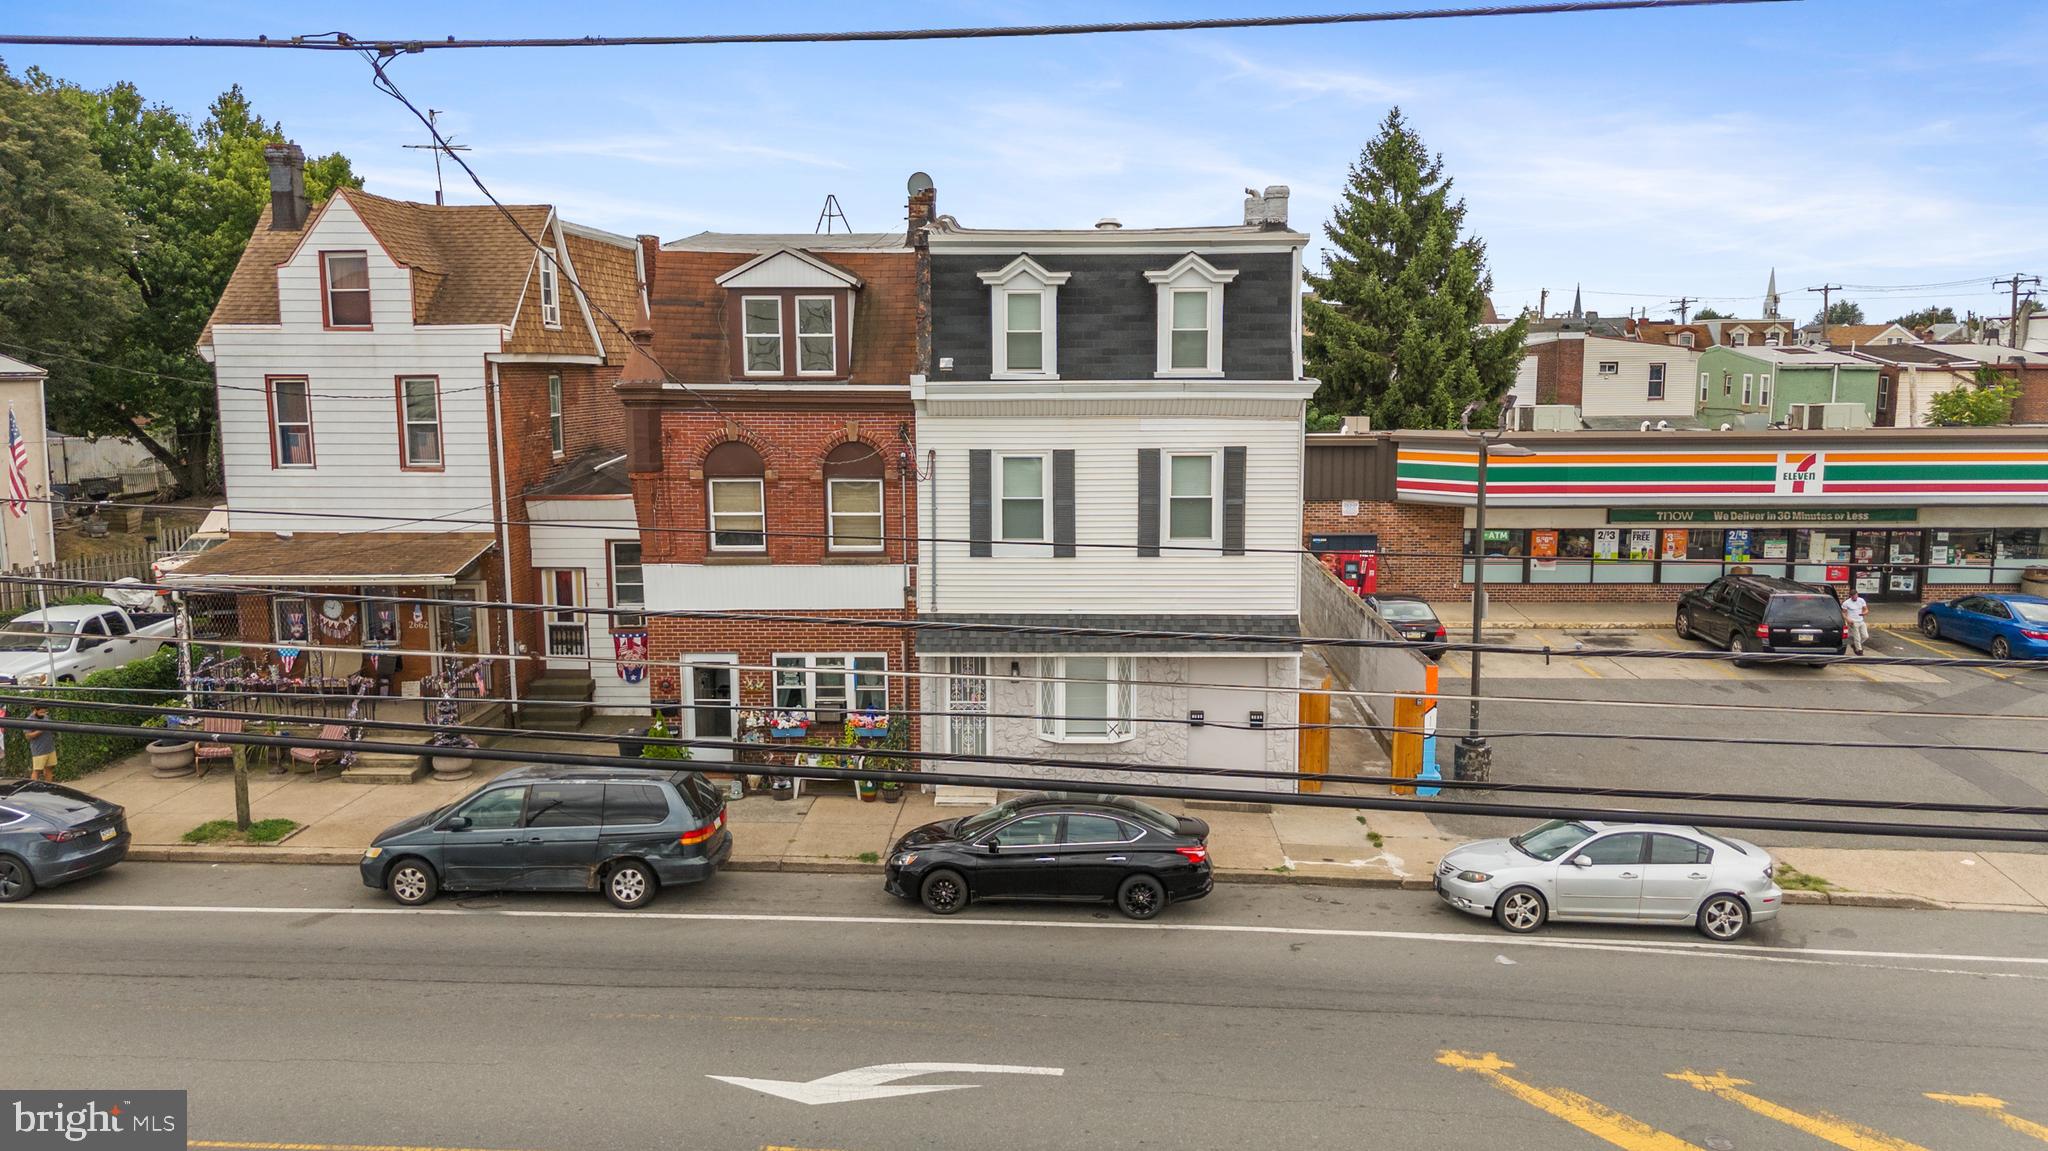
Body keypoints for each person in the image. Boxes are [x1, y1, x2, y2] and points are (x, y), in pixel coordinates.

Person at [26, 705, 56, 782]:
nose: (44, 714)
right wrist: (41, 730)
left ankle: (49, 788)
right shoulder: (29, 720)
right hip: (39, 751)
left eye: (45, 712)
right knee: (37, 771)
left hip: (50, 749)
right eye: (42, 712)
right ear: (35, 710)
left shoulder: (46, 717)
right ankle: (33, 790)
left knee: (49, 769)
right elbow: (28, 736)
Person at [1841, 589, 1870, 656]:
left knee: (1865, 636)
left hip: (1861, 620)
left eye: (1856, 596)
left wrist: (1864, 613)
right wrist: (1848, 619)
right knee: (1857, 637)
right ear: (1850, 596)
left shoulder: (1861, 600)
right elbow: (1843, 613)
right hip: (1853, 622)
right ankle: (1859, 651)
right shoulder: (1846, 603)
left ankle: (1855, 645)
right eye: (1853, 596)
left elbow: (1866, 610)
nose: (1855, 597)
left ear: (1857, 595)